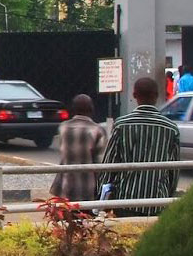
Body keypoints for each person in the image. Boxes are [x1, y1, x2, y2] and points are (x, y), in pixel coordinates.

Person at [101, 75, 181, 217]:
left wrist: (104, 195)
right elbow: (173, 170)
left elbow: (109, 164)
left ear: (134, 95)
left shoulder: (121, 125)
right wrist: (169, 194)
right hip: (158, 201)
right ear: (156, 95)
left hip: (126, 200)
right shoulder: (171, 128)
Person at [49, 94, 106, 203]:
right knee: (87, 213)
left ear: (73, 109)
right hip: (89, 187)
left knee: (67, 213)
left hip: (66, 186)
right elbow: (101, 158)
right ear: (91, 109)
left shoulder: (63, 127)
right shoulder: (97, 130)